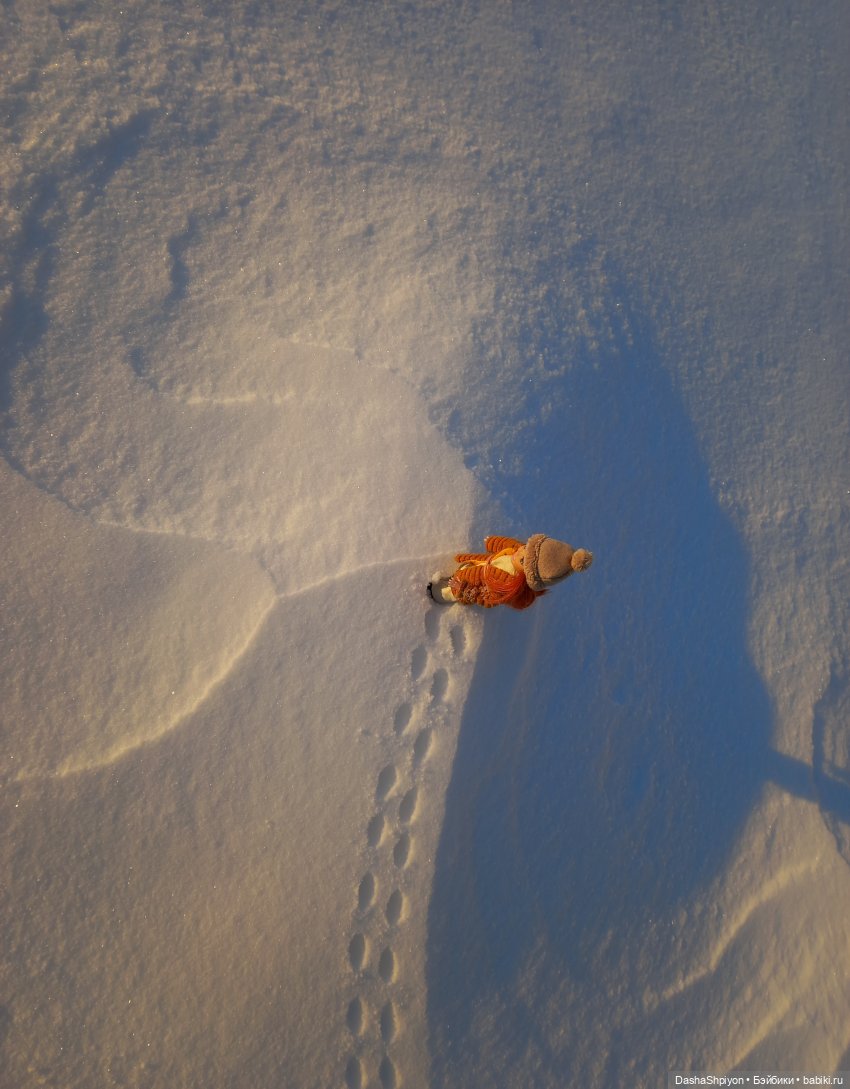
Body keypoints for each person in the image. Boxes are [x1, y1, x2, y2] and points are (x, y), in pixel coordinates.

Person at [428, 534, 593, 610]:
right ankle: (453, 577)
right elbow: (507, 544)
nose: (519, 553)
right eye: (526, 548)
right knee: (463, 567)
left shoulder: (506, 584)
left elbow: (484, 597)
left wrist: (461, 588)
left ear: (528, 576)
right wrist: (493, 542)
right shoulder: (517, 550)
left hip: (467, 585)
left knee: (448, 591)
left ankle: (437, 594)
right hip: (475, 566)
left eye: (522, 560)